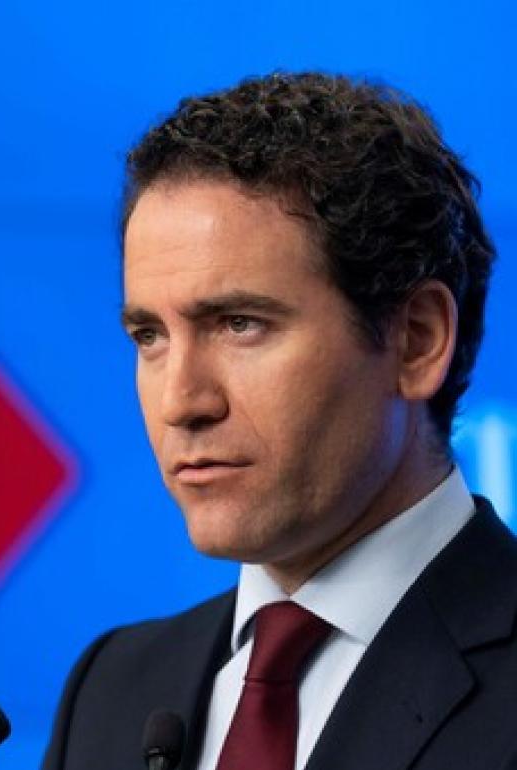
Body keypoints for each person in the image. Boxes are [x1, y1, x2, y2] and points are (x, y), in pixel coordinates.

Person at [41, 72, 517, 770]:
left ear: (417, 341)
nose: (181, 402)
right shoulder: (111, 689)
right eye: (150, 336)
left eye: (240, 324)